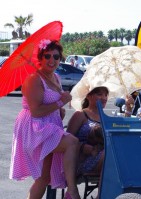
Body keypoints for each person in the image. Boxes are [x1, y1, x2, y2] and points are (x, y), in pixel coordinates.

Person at [9, 39, 80, 199]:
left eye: (56, 57)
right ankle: (72, 192)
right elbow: (36, 111)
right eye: (47, 56)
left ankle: (70, 192)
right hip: (35, 127)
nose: (52, 60)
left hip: (50, 125)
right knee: (72, 142)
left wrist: (59, 110)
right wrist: (61, 102)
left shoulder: (56, 77)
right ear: (40, 58)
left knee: (44, 177)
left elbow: (52, 104)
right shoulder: (33, 79)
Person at [68, 86, 108, 199]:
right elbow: (68, 139)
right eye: (99, 94)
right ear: (89, 96)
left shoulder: (105, 117)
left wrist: (129, 108)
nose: (104, 98)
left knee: (118, 158)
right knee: (110, 158)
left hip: (103, 157)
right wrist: (83, 147)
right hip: (82, 159)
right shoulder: (80, 114)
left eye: (105, 95)